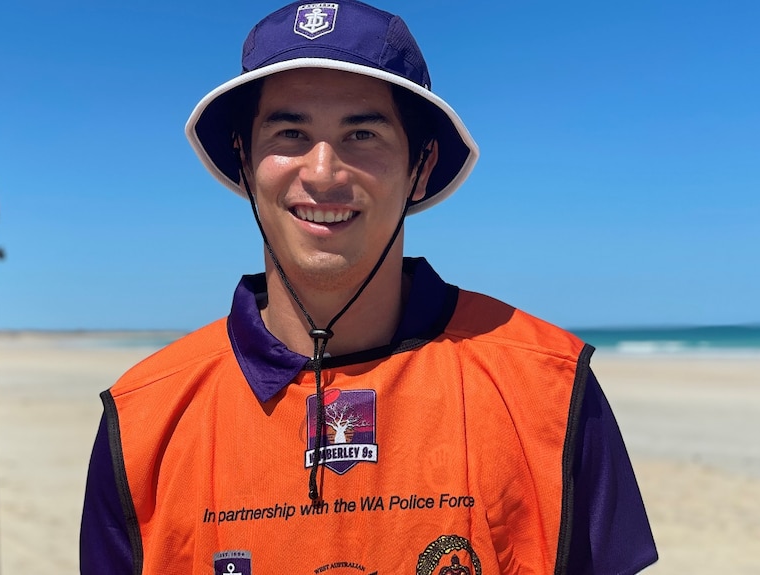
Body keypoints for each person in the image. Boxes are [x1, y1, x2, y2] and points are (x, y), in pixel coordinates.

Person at [80, 1, 658, 573]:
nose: (323, 171)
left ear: (422, 166)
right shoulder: (144, 421)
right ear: (243, 161)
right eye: (290, 132)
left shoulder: (547, 387)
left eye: (362, 133)